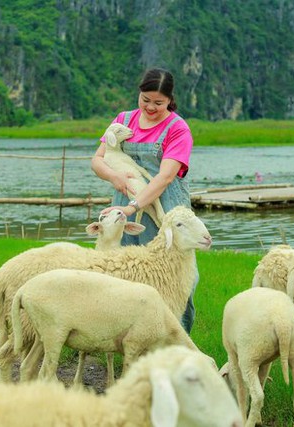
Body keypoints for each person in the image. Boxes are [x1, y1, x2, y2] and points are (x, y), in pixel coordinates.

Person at [90, 68, 197, 333]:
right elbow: (97, 159)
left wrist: (133, 206)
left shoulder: (178, 129)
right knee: (122, 275)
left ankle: (176, 345)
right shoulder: (123, 120)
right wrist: (115, 178)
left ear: (170, 100)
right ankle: (125, 342)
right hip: (123, 213)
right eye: (145, 99)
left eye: (158, 103)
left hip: (165, 212)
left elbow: (163, 178)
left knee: (173, 280)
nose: (150, 107)